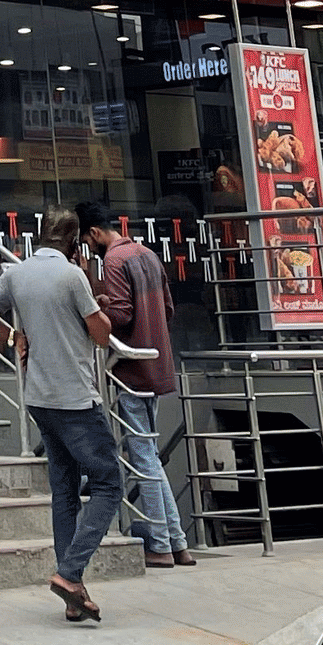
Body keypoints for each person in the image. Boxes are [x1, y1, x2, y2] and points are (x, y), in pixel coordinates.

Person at [0, 208, 119, 623]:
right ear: (74, 242)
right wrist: (92, 296)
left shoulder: (18, 273)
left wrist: (13, 337)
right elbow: (101, 335)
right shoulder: (72, 275)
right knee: (108, 484)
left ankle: (73, 594)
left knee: (64, 490)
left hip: (39, 397)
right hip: (75, 399)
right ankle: (70, 573)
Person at [78, 203, 196, 571]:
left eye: (86, 241)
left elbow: (121, 314)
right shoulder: (147, 253)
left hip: (131, 370)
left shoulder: (114, 261)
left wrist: (94, 308)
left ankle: (161, 545)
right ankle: (177, 543)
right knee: (150, 456)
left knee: (143, 458)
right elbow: (168, 308)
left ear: (94, 233)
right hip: (156, 365)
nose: (88, 248)